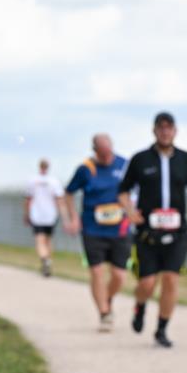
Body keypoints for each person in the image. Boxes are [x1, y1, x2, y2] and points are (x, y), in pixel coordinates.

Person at [118, 112, 187, 348]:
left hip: (178, 232)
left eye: (169, 128)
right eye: (161, 128)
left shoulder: (186, 159)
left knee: (170, 279)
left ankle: (162, 329)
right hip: (148, 232)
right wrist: (129, 210)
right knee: (147, 283)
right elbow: (123, 191)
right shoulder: (140, 160)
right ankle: (140, 306)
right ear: (154, 131)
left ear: (175, 131)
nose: (165, 132)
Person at [64, 134, 131, 332]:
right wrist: (73, 218)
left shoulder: (124, 165)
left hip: (120, 228)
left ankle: (106, 298)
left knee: (119, 275)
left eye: (109, 152)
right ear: (95, 151)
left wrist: (133, 210)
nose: (107, 157)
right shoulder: (86, 169)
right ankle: (104, 313)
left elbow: (135, 190)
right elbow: (68, 193)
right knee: (96, 271)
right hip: (93, 228)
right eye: (103, 154)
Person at [24, 158, 69, 277]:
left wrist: (27, 214)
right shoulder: (54, 181)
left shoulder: (32, 181)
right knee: (48, 240)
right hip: (51, 215)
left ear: (39, 166)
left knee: (40, 240)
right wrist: (65, 218)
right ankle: (48, 260)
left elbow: (28, 200)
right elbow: (60, 200)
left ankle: (44, 259)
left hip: (37, 215)